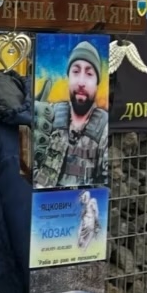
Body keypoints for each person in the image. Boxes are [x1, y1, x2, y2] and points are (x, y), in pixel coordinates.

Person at [34, 39, 109, 188]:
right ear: (68, 77)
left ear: (97, 83)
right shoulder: (49, 115)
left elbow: (106, 186)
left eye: (89, 73)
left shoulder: (104, 128)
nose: (81, 81)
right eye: (75, 71)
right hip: (44, 205)